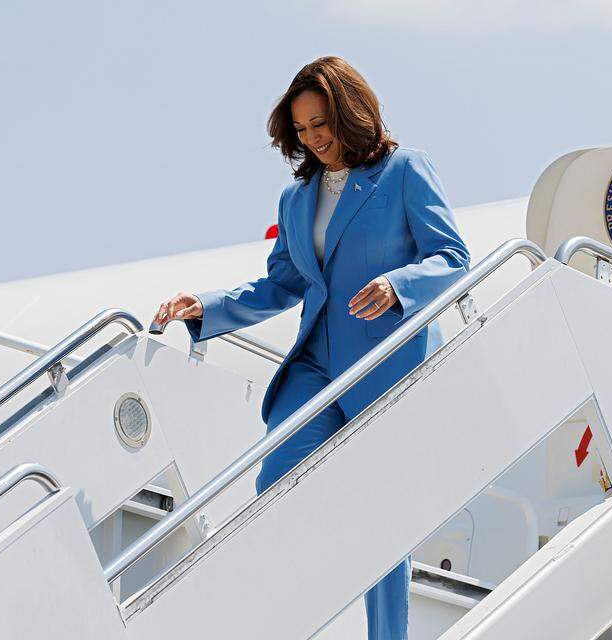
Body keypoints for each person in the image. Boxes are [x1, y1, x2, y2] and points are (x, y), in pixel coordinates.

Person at [154, 55, 469, 640]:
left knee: (385, 518)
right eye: (301, 129)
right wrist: (209, 306)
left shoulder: (404, 171)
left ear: (352, 112)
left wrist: (399, 286)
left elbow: (454, 258)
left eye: (321, 122)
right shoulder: (296, 200)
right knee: (277, 476)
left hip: (384, 364)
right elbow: (282, 284)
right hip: (314, 363)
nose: (313, 137)